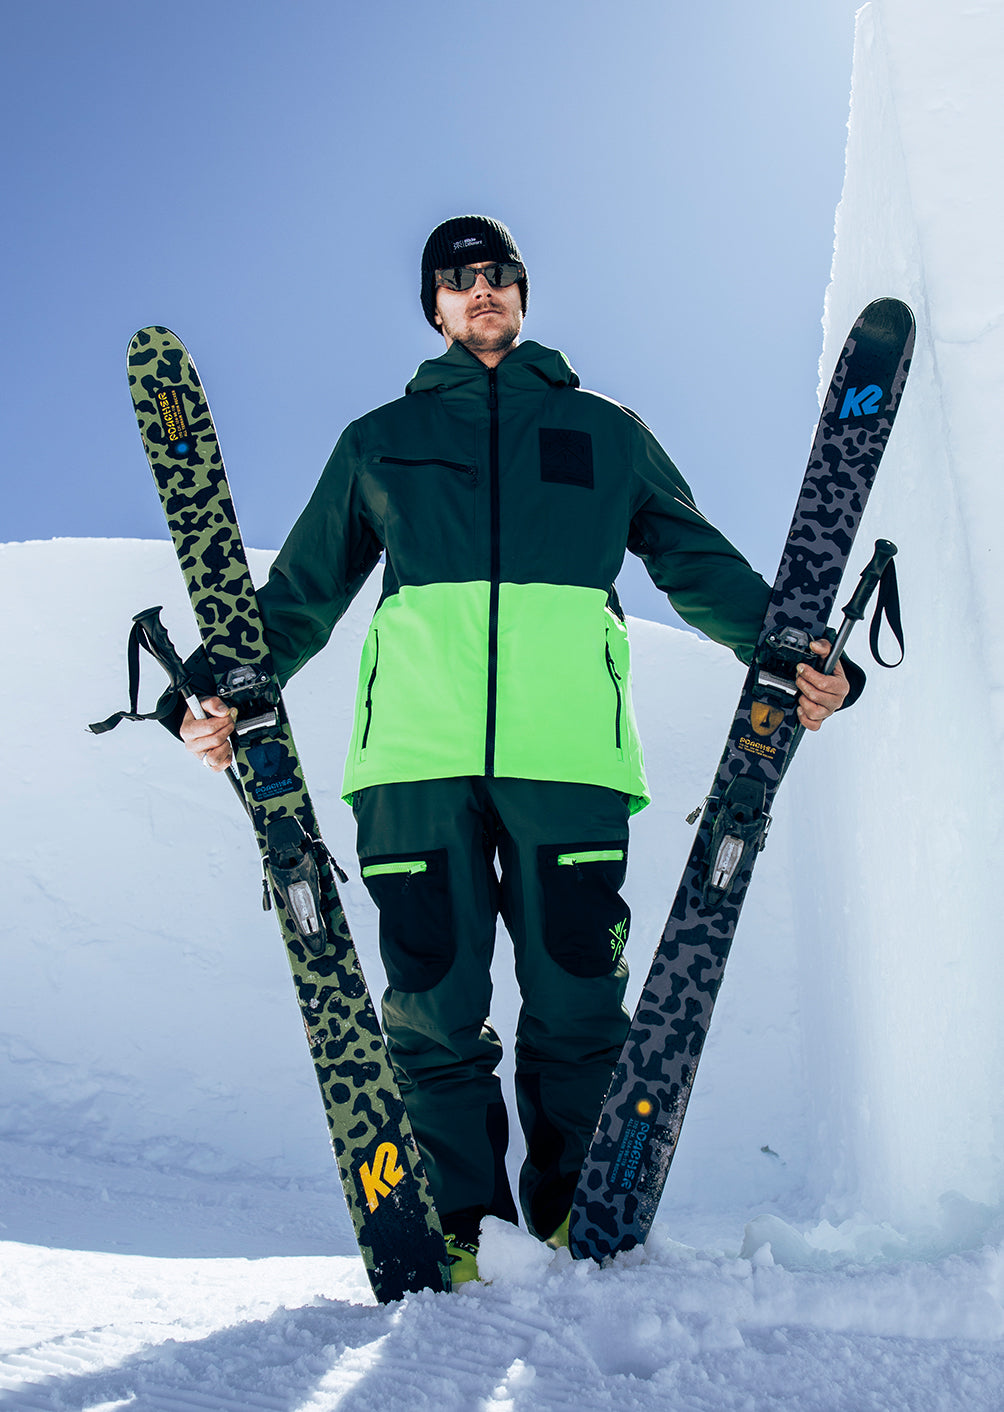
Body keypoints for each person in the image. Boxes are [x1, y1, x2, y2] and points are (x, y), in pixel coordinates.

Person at [178, 215, 852, 1285]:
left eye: (496, 272)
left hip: (567, 753)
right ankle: (461, 1224)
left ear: (522, 292)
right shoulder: (380, 439)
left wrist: (794, 652)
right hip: (414, 756)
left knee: (576, 993)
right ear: (434, 307)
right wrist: (212, 687)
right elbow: (298, 593)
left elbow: (695, 562)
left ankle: (576, 1215)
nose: (479, 288)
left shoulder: (604, 430)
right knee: (433, 1000)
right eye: (456, 278)